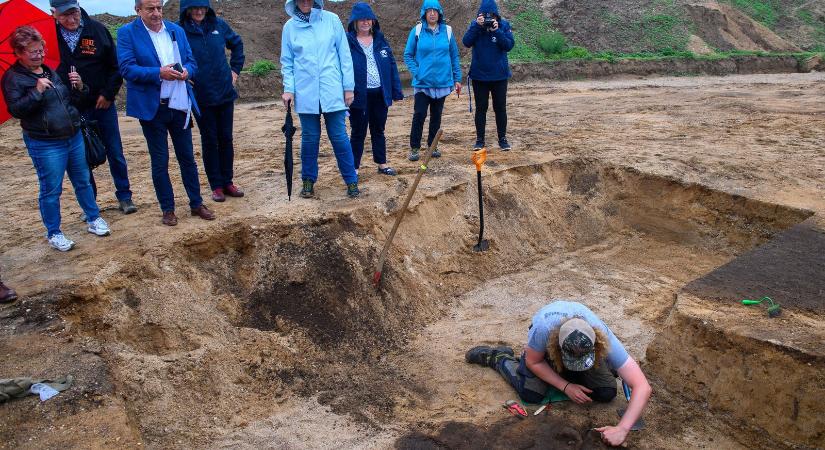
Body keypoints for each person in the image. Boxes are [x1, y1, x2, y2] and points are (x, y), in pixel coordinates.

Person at [465, 301, 652, 447]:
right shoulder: (544, 329)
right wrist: (566, 386)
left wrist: (622, 428)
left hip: (579, 353)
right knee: (531, 393)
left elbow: (642, 386)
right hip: (544, 355)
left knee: (606, 392)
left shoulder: (602, 334)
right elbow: (533, 361)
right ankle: (499, 357)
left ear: (596, 346)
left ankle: (603, 367)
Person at [2, 26, 111, 252]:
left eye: (41, 50)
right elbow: (16, 110)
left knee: (82, 180)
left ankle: (93, 218)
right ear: (19, 53)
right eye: (33, 52)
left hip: (72, 135)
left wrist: (80, 86)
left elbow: (69, 100)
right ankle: (54, 232)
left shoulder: (49, 70)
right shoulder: (13, 78)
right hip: (45, 142)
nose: (39, 55)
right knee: (51, 189)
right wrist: (36, 92)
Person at [118, 0, 216, 226]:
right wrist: (158, 73)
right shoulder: (127, 33)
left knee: (188, 158)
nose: (156, 13)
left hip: (179, 104)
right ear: (138, 10)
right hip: (152, 107)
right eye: (150, 9)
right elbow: (127, 68)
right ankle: (168, 209)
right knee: (160, 161)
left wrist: (187, 71)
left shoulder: (176, 30)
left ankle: (196, 203)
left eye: (159, 8)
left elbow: (191, 61)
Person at [51, 0, 136, 214]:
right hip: (71, 108)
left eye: (74, 13)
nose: (71, 19)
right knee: (81, 158)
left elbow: (115, 68)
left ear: (79, 8)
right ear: (54, 14)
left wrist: (107, 94)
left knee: (115, 151)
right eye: (64, 16)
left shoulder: (97, 30)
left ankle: (125, 196)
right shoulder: (49, 37)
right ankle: (91, 203)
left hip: (101, 104)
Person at [280, 0, 360, 199]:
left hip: (332, 88)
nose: (306, 2)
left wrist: (348, 87)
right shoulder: (289, 27)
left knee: (339, 136)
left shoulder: (332, 20)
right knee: (309, 138)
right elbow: (287, 62)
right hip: (305, 92)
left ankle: (351, 181)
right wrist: (289, 89)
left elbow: (344, 55)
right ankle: (308, 180)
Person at [179, 0, 246, 203]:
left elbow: (237, 44)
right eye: (194, 7)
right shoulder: (179, 30)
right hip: (201, 96)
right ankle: (216, 185)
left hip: (224, 93)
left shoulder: (219, 25)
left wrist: (234, 70)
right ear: (186, 9)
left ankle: (228, 182)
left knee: (226, 138)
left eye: (202, 7)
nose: (199, 11)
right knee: (210, 140)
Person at [345, 2, 404, 176]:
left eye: (368, 19)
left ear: (373, 21)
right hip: (358, 96)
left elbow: (392, 65)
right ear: (354, 22)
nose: (365, 23)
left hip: (379, 93)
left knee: (378, 129)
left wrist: (395, 90)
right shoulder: (348, 42)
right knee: (358, 132)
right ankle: (354, 168)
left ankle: (382, 163)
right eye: (361, 20)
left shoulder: (380, 39)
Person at [403, 0, 462, 162]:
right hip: (423, 84)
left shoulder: (448, 31)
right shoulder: (417, 31)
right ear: (424, 13)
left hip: (443, 82)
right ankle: (415, 148)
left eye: (435, 11)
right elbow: (408, 55)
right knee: (420, 114)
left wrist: (457, 78)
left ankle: (432, 145)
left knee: (436, 116)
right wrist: (417, 73)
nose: (432, 13)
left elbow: (454, 56)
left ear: (440, 13)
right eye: (429, 11)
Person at [462, 0, 514, 151]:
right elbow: (466, 42)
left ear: (496, 15)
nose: (489, 18)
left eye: (492, 15)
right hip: (479, 76)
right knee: (481, 108)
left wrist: (497, 31)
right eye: (485, 15)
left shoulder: (503, 25)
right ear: (480, 15)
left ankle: (502, 138)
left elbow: (508, 45)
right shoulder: (476, 26)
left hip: (499, 76)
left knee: (500, 108)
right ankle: (480, 140)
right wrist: (476, 27)